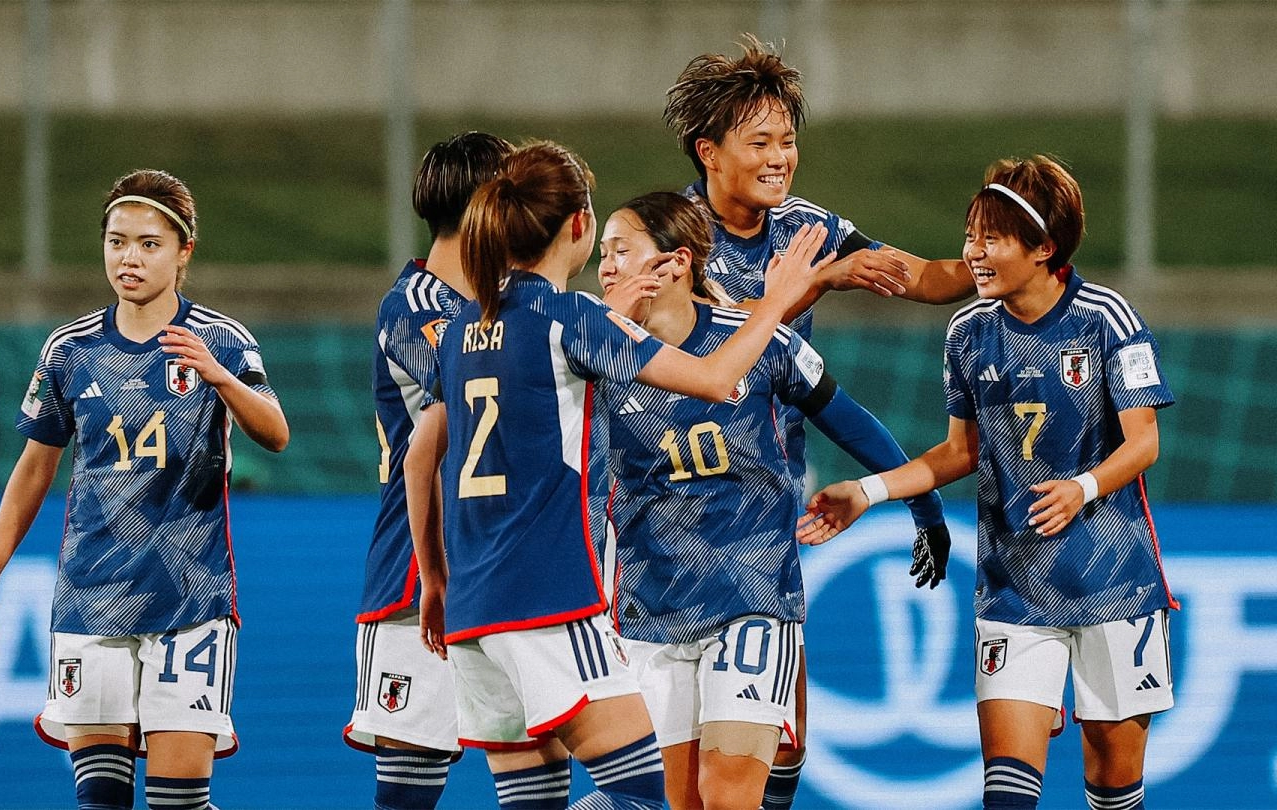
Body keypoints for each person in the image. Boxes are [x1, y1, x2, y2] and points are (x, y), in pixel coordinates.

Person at [402, 140, 831, 810]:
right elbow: (717, 379)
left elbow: (418, 455)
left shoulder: (463, 326)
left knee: (533, 802)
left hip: (471, 613)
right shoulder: (572, 319)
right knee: (648, 800)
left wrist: (433, 579)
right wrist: (774, 302)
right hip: (549, 602)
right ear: (578, 225)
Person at [796, 156, 1177, 810]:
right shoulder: (969, 332)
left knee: (1115, 791)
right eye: (970, 234)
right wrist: (870, 491)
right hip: (1014, 589)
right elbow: (959, 451)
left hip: (1114, 586)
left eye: (991, 238)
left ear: (1043, 247)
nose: (972, 252)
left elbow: (1145, 441)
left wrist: (1081, 488)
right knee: (1005, 792)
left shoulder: (1106, 318)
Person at [663, 35, 972, 805]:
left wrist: (1004, 257)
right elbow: (720, 349)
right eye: (759, 141)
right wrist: (820, 281)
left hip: (761, 514)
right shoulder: (671, 239)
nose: (780, 157)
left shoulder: (806, 227)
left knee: (777, 752)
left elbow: (923, 279)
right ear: (709, 151)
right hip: (662, 515)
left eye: (788, 140)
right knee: (678, 778)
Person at [595, 191, 950, 810]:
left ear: (676, 263)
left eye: (620, 251)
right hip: (650, 609)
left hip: (751, 598)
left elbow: (852, 422)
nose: (604, 267)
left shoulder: (763, 343)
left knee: (729, 794)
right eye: (601, 254)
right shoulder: (594, 359)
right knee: (671, 804)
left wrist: (924, 509)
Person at [0, 169, 290, 810]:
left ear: (184, 250)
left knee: (177, 804)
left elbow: (275, 433)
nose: (128, 258)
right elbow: (34, 467)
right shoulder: (70, 349)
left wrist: (221, 378)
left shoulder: (220, 339)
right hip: (91, 601)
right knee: (101, 802)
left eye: (148, 243)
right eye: (116, 241)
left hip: (189, 602)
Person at [344, 132, 515, 809]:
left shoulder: (511, 307)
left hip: (511, 570)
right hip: (419, 580)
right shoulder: (415, 307)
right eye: (514, 197)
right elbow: (473, 382)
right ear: (482, 208)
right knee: (408, 798)